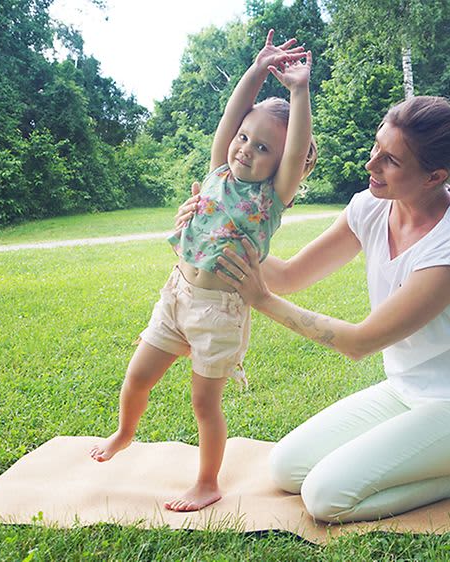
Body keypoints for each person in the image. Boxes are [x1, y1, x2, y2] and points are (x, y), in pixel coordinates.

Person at [178, 95, 450, 523]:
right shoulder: (372, 206)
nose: (371, 165)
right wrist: (213, 228)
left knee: (326, 498)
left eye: (390, 161)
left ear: (434, 176)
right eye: (376, 147)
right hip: (405, 390)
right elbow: (288, 274)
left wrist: (261, 301)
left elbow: (360, 342)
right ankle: (447, 462)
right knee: (286, 468)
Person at [89, 29, 316, 513]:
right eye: (245, 139)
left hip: (221, 311)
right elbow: (232, 115)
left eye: (262, 150)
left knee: (203, 404)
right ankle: (125, 432)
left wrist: (299, 92)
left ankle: (208, 481)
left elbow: (295, 150)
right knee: (137, 378)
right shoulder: (217, 170)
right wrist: (257, 70)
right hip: (176, 295)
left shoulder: (270, 198)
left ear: (279, 167)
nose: (245, 150)